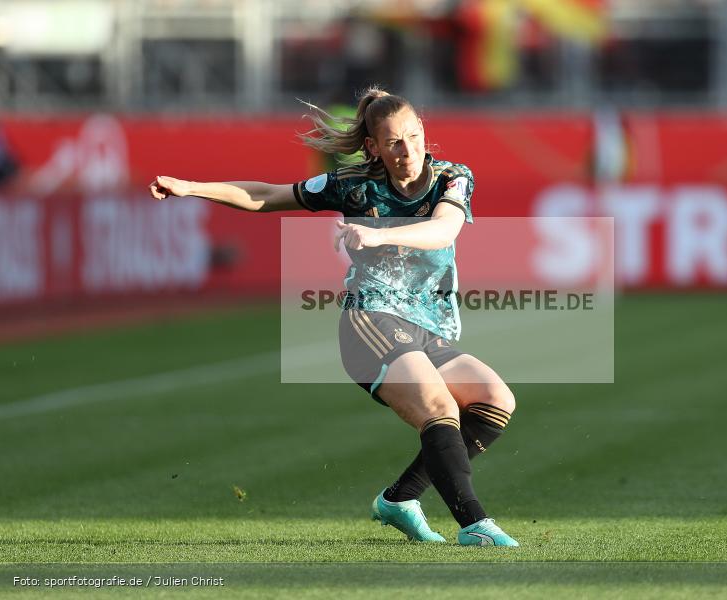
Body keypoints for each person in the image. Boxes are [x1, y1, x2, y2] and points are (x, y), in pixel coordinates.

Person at [149, 86, 519, 547]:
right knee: (439, 407)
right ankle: (474, 525)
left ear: (424, 132)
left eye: (413, 136)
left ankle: (400, 499)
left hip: (424, 325)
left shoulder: (452, 177)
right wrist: (191, 188)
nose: (407, 151)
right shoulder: (352, 185)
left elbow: (443, 229)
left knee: (495, 401)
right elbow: (267, 195)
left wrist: (378, 235)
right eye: (394, 142)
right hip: (371, 320)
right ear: (374, 147)